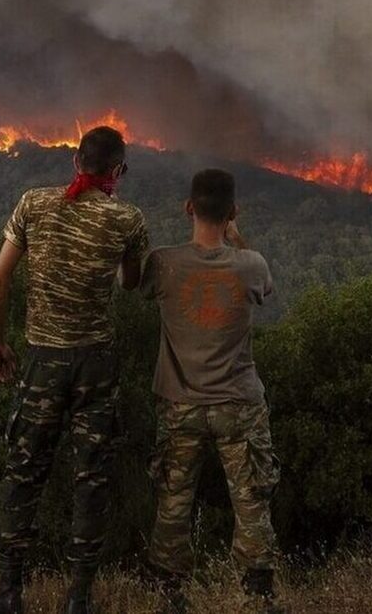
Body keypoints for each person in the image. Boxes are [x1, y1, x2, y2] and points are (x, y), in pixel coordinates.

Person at [0, 126, 151, 614]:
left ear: (76, 161)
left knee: (23, 472)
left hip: (42, 360)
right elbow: (130, 283)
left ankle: (9, 592)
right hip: (95, 365)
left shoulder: (33, 204)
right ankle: (78, 598)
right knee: (91, 479)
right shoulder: (127, 219)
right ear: (117, 170)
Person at [141, 169, 283, 614]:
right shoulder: (251, 264)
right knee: (251, 497)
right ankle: (257, 595)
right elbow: (265, 289)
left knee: (173, 498)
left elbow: (134, 285)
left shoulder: (162, 264)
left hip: (180, 405)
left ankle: (168, 593)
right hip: (238, 405)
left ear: (188, 207)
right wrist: (235, 237)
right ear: (233, 211)